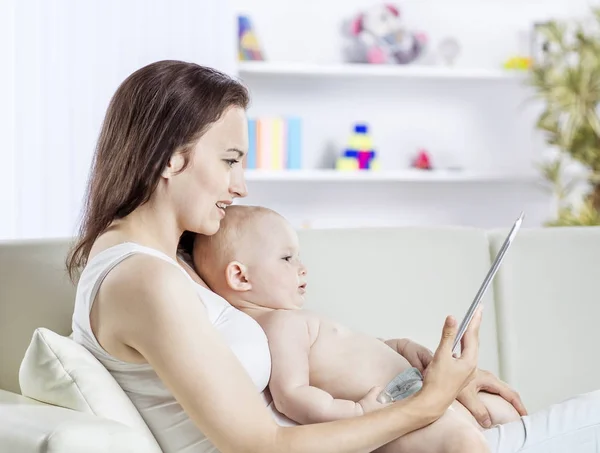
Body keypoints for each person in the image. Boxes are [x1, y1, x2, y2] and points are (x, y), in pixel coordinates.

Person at [66, 60, 600, 453]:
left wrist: (408, 362)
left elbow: (278, 362)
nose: (241, 185)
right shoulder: (143, 281)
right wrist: (424, 404)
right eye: (229, 160)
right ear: (169, 159)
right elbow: (261, 444)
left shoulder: (168, 265)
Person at [191, 204, 522, 453]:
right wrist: (358, 412)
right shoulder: (278, 326)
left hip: (414, 390)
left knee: (502, 412)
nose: (302, 268)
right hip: (391, 412)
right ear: (241, 277)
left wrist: (402, 346)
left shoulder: (292, 319)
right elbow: (291, 396)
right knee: (464, 441)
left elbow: (354, 353)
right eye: (286, 259)